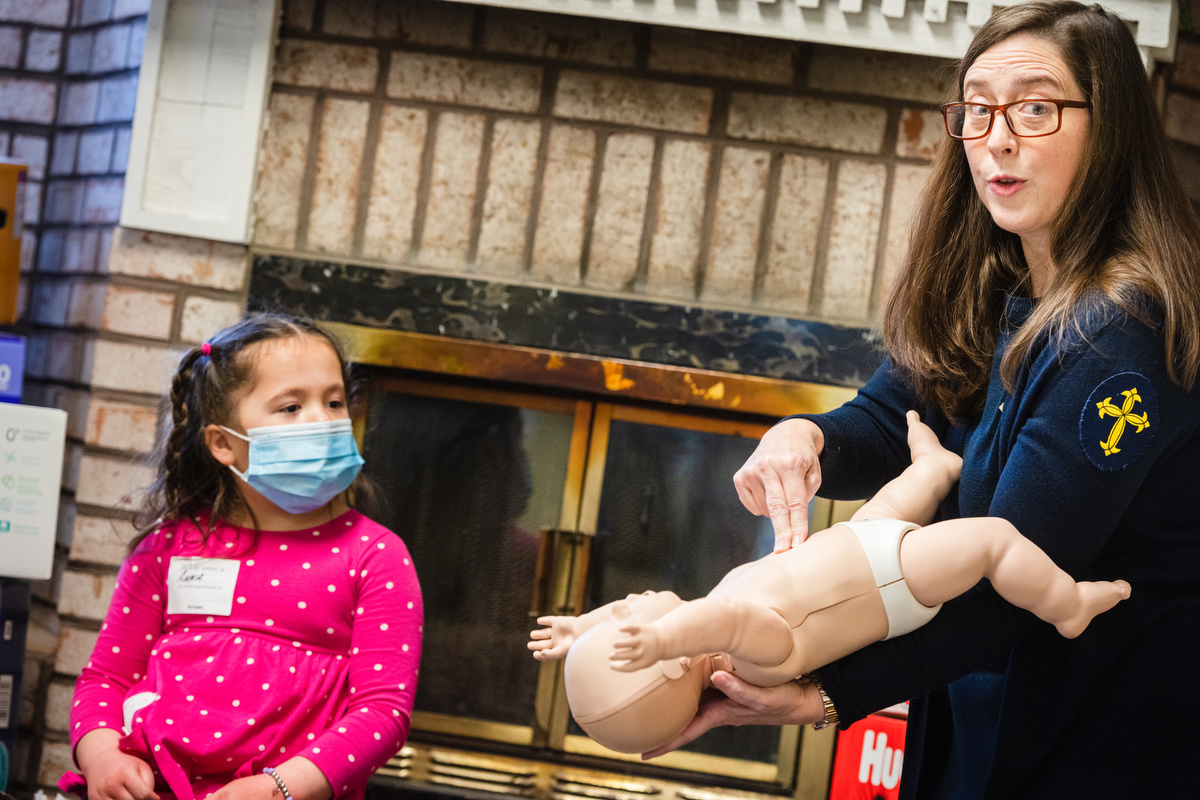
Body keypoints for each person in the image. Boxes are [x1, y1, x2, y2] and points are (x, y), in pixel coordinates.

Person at [654, 2, 1200, 797]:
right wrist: (804, 437)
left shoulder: (1123, 332)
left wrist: (822, 695)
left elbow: (1007, 579)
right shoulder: (1002, 279)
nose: (997, 137)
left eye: (1036, 107)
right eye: (977, 109)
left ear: (1108, 125)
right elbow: (892, 415)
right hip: (977, 706)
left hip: (1091, 740)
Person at [527, 412, 1128, 754]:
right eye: (632, 621)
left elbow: (681, 617)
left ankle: (935, 468)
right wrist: (660, 640)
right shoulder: (756, 652)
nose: (628, 604)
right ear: (674, 654)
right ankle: (1066, 601)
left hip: (860, 543)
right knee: (992, 540)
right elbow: (720, 622)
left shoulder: (705, 617)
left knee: (897, 497)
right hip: (899, 581)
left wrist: (586, 626)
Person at [59, 314, 424, 800]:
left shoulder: (377, 556)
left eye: (334, 401)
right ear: (224, 444)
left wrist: (279, 788)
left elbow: (382, 712)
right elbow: (105, 679)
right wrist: (103, 755)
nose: (322, 419)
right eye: (291, 406)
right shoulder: (167, 548)